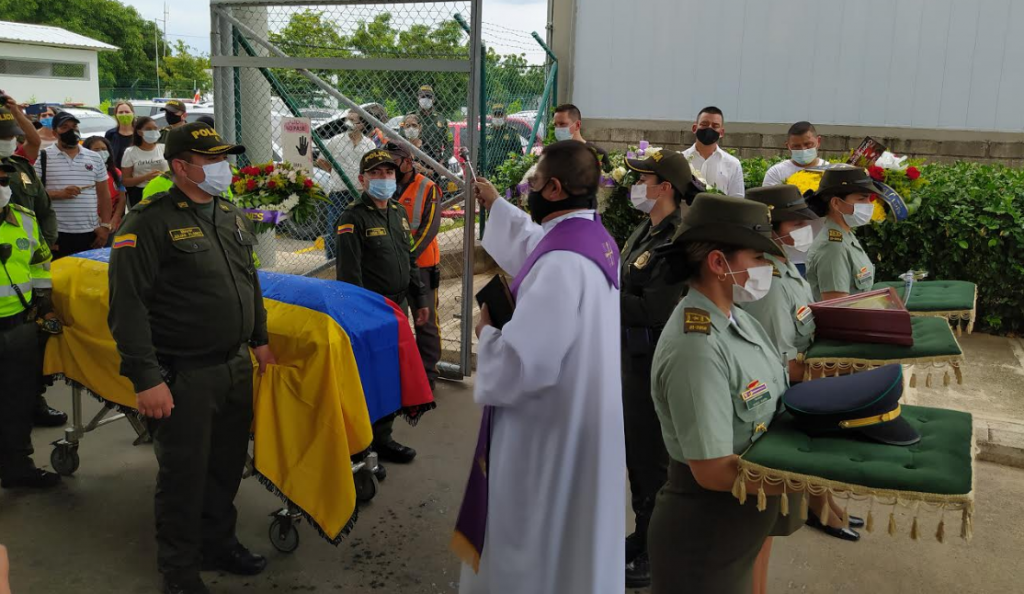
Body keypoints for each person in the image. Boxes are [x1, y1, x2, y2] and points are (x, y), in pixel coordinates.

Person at [108, 122, 274, 594]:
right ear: (181, 167)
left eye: (224, 158)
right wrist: (146, 378)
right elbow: (127, 306)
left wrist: (260, 338)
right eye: (212, 160)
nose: (224, 168)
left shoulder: (231, 215)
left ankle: (218, 543)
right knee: (184, 476)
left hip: (234, 366)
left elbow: (249, 282)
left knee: (225, 466)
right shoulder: (148, 222)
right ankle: (179, 571)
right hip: (183, 374)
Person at [455, 140, 625, 594]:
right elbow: (537, 243)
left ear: (554, 188)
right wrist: (497, 205)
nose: (527, 187)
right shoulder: (593, 238)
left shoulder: (562, 263)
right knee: (576, 536)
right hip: (582, 415)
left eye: (533, 181)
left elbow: (525, 364)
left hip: (548, 430)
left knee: (536, 533)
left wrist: (488, 334)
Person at [648, 193, 788, 594]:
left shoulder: (738, 321)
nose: (768, 267)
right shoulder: (697, 346)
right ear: (717, 263)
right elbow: (712, 471)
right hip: (705, 536)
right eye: (758, 257)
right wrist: (806, 482)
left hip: (741, 525)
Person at [742, 185, 863, 545]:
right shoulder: (768, 284)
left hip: (803, 379)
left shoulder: (784, 268)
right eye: (796, 224)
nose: (806, 230)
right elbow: (777, 363)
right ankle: (818, 506)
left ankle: (822, 502)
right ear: (770, 229)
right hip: (784, 394)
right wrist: (830, 372)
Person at [618, 150, 694, 588]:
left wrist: (602, 295)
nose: (636, 186)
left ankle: (654, 548)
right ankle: (643, 532)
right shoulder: (646, 229)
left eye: (643, 179)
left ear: (665, 187)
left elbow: (653, 309)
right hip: (632, 357)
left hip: (651, 360)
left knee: (652, 458)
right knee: (638, 452)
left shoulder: (675, 240)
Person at [335, 148, 430, 470]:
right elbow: (349, 275)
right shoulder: (352, 217)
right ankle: (361, 446)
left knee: (391, 375)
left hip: (398, 308)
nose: (384, 178)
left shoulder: (398, 212)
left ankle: (383, 439)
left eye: (388, 172)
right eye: (375, 173)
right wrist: (357, 317)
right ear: (362, 180)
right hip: (371, 311)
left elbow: (410, 258)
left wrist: (420, 300)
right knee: (368, 379)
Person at [0, 101, 65, 427]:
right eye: (4, 136)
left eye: (10, 135)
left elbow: (43, 210)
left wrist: (45, 242)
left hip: (26, 283)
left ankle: (34, 403)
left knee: (29, 357)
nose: (9, 141)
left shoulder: (20, 167)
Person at [0, 161, 61, 490]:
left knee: (18, 400)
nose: (1, 188)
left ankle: (17, 467)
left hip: (19, 326)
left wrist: (45, 307)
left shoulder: (24, 218)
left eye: (3, 181)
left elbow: (39, 264)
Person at [389, 141, 443, 390]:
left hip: (421, 267)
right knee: (395, 322)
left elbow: (429, 229)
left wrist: (406, 258)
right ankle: (401, 373)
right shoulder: (386, 186)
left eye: (393, 163)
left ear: (408, 162)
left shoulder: (428, 187)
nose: (389, 168)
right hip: (391, 268)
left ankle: (427, 376)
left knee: (426, 322)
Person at [34, 111, 113, 258]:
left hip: (90, 233)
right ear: (55, 133)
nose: (71, 130)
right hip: (56, 233)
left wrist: (105, 226)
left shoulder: (95, 158)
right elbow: (34, 194)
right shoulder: (43, 157)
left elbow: (104, 195)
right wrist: (59, 194)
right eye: (64, 127)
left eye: (74, 126)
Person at [806, 165, 879, 301]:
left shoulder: (846, 234)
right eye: (861, 199)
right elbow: (837, 306)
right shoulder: (833, 248)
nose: (869, 204)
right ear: (836, 203)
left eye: (869, 199)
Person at [317, 111, 376, 261]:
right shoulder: (336, 141)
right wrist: (335, 172)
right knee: (334, 226)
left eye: (352, 120)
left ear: (361, 124)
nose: (347, 122)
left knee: (359, 227)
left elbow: (372, 167)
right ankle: (332, 260)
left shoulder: (369, 144)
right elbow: (321, 160)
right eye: (347, 119)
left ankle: (357, 259)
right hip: (338, 191)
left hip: (360, 192)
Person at [682, 106, 745, 197]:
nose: (709, 128)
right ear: (694, 128)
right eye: (704, 124)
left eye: (715, 126)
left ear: (721, 132)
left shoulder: (733, 164)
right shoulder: (681, 160)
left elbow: (737, 200)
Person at [762, 121, 829, 187]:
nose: (803, 149)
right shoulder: (776, 173)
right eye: (796, 146)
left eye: (808, 144)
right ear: (788, 146)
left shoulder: (829, 171)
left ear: (818, 141)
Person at [84, 136, 127, 238]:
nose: (101, 152)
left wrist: (114, 220)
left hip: (113, 225)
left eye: (104, 149)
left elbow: (122, 199)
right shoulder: (83, 174)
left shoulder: (117, 173)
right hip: (91, 224)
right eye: (96, 150)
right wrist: (99, 221)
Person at [122, 116, 169, 208]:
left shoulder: (163, 148)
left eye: (155, 128)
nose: (153, 131)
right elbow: (126, 181)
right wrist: (145, 177)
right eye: (148, 129)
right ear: (139, 132)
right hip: (140, 193)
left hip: (164, 190)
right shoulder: (130, 152)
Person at [552, 103, 610, 172]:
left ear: (577, 125)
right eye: (555, 125)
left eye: (562, 124)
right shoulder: (553, 154)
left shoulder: (598, 154)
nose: (558, 128)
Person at [482, 105, 522, 177]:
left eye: (500, 115)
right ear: (492, 116)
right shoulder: (485, 132)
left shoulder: (512, 132)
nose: (498, 117)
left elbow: (519, 153)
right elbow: (480, 151)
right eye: (496, 115)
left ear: (505, 116)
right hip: (488, 172)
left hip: (506, 172)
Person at [414, 85, 449, 164]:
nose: (426, 99)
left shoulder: (441, 119)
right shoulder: (411, 117)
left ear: (433, 99)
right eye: (423, 96)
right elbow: (402, 138)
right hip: (416, 159)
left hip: (436, 160)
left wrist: (444, 160)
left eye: (429, 97)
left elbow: (449, 143)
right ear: (418, 98)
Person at [105, 101, 136, 171]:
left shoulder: (140, 133)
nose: (124, 114)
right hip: (116, 173)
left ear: (133, 113)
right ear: (116, 115)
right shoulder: (110, 134)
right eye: (121, 112)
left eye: (127, 112)